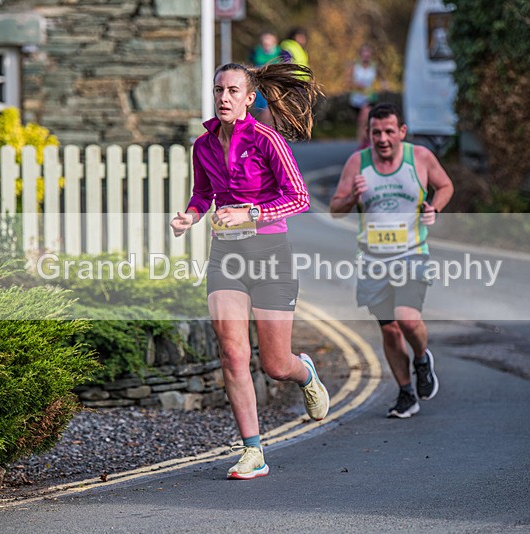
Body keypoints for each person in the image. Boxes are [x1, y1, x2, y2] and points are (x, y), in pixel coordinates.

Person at [170, 62, 328, 480]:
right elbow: (203, 194)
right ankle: (253, 450)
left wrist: (251, 213)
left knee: (276, 364)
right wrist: (190, 216)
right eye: (218, 90)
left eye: (233, 91)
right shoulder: (203, 145)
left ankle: (305, 372)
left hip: (271, 256)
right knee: (233, 352)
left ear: (249, 98)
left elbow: (299, 197)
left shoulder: (267, 139)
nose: (224, 97)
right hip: (226, 256)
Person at [329, 103, 454, 419]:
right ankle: (406, 393)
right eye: (376, 133)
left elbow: (445, 185)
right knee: (390, 331)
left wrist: (434, 208)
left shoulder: (420, 158)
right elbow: (335, 209)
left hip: (412, 253)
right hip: (373, 260)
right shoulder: (358, 163)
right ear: (368, 133)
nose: (382, 139)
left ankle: (422, 358)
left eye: (388, 131)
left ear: (402, 132)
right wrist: (352, 197)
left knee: (407, 319)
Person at [347, 44, 386, 149]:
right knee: (361, 123)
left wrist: (382, 86)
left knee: (364, 118)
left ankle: (364, 145)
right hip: (356, 99)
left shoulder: (374, 66)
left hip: (369, 98)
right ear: (360, 55)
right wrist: (356, 85)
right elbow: (347, 81)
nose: (366, 57)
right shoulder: (354, 66)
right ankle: (362, 144)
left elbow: (382, 80)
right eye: (364, 55)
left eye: (368, 55)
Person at [248, 31, 282, 126]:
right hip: (260, 88)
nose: (266, 43)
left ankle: (274, 130)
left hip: (275, 87)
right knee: (261, 112)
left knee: (274, 110)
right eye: (264, 42)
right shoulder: (255, 53)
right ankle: (262, 129)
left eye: (268, 41)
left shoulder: (282, 53)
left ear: (274, 41)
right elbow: (250, 67)